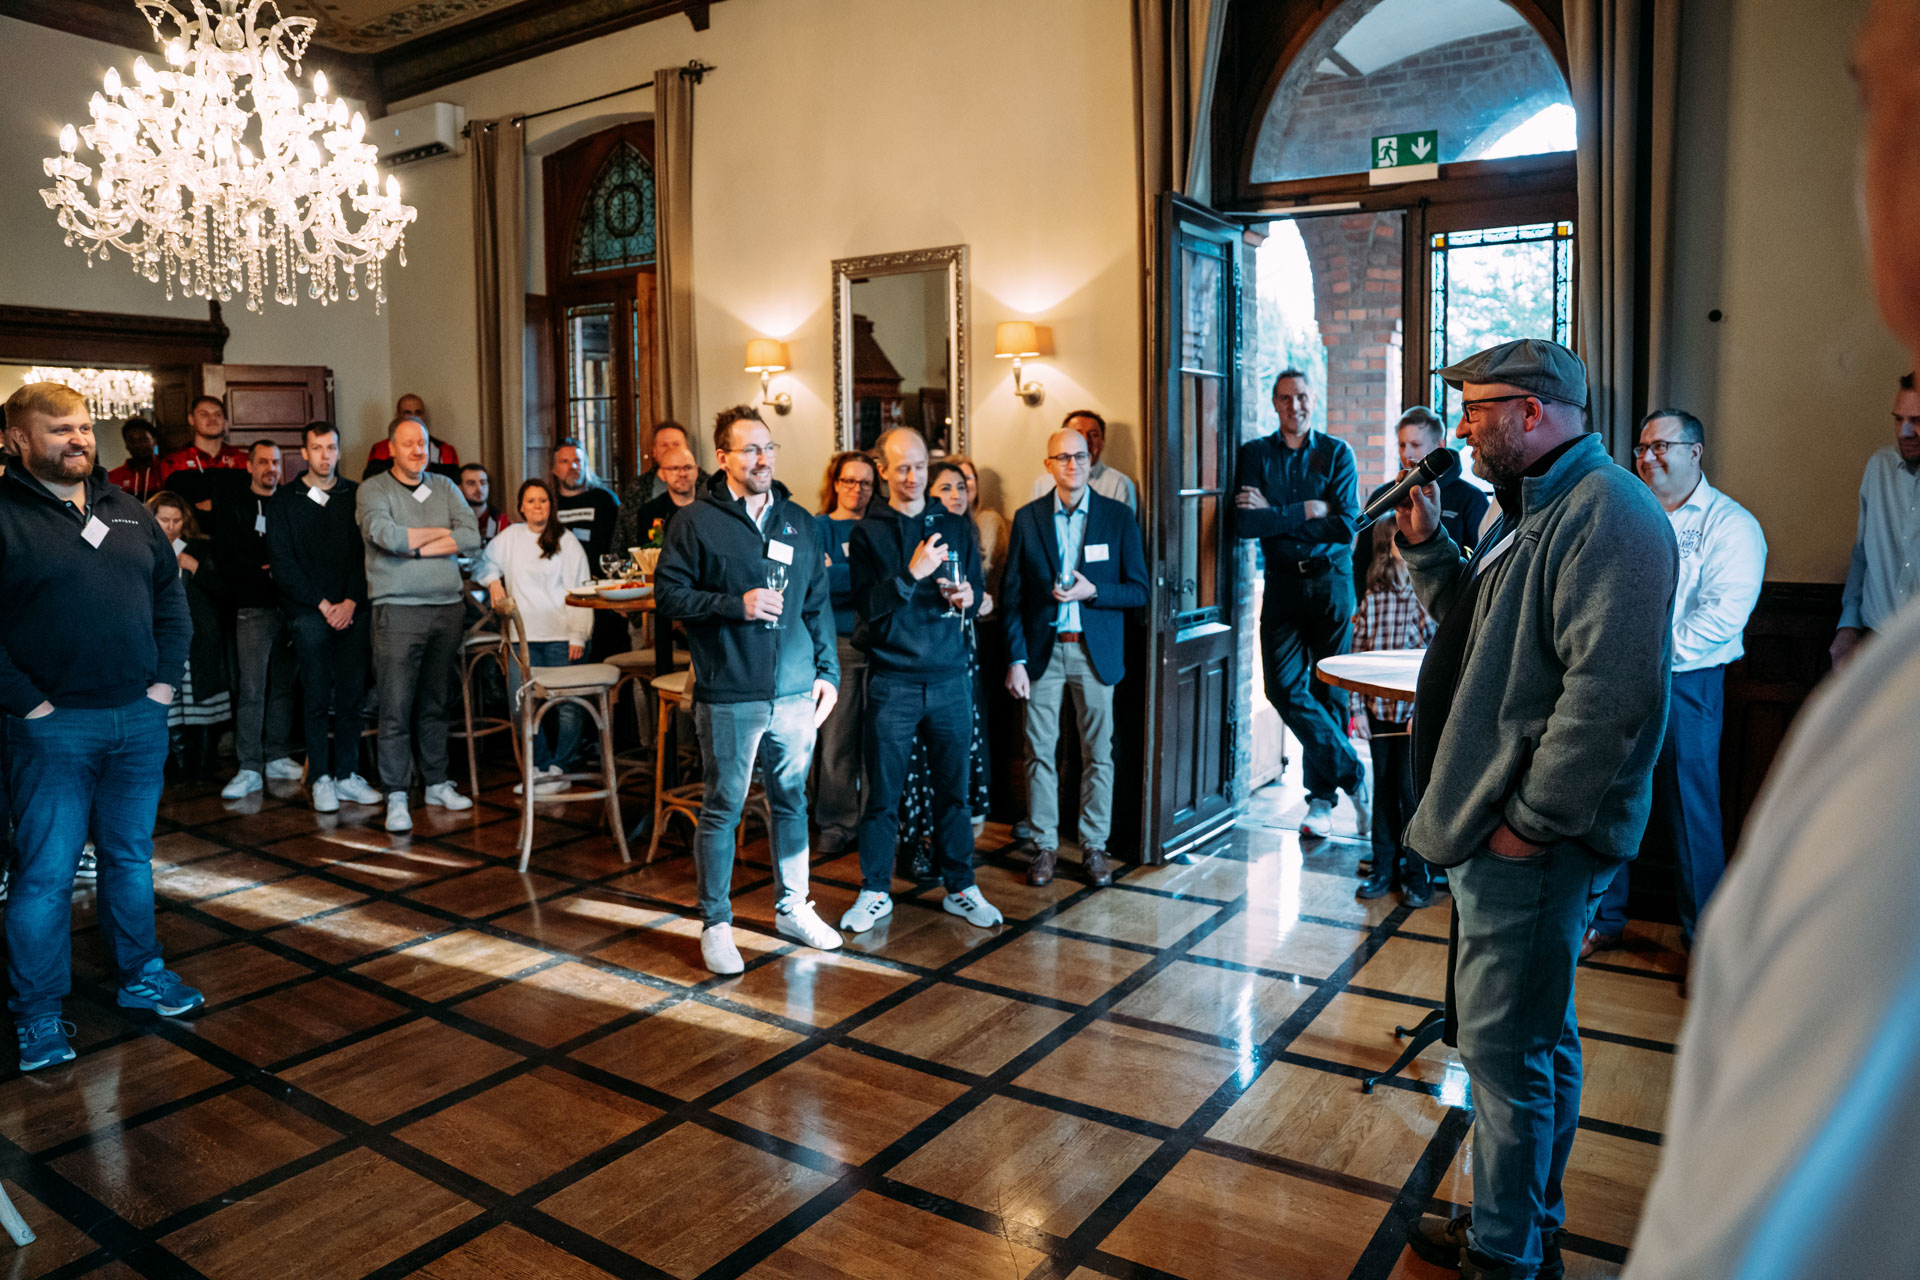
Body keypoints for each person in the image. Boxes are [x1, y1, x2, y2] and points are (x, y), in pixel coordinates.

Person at [1394, 339, 1677, 1280]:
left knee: (1505, 1059)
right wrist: (1427, 545)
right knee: (1534, 1040)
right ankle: (1525, 1227)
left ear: (1532, 412)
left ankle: (1504, 1257)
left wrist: (1530, 823)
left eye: (1477, 409)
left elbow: (1607, 699)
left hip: (1532, 840)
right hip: (1503, 824)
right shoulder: (1528, 506)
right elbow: (1478, 634)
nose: (1464, 427)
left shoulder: (1611, 513)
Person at [0, 383, 204, 1072]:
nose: (78, 439)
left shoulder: (127, 510)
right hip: (50, 729)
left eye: (84, 427)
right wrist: (30, 706)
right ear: (18, 440)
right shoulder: (4, 514)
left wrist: (160, 690)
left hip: (137, 723)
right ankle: (37, 1012)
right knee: (45, 876)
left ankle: (142, 976)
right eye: (60, 429)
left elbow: (171, 603)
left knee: (130, 859)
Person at [652, 405, 843, 975]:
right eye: (750, 449)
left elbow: (817, 603)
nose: (763, 459)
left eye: (769, 447)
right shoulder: (694, 521)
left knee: (792, 801)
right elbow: (669, 597)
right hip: (729, 690)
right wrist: (734, 605)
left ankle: (794, 908)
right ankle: (716, 924)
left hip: (795, 692)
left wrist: (828, 672)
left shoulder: (799, 520)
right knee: (724, 807)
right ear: (723, 457)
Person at [1586, 409, 1765, 957]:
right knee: (1608, 802)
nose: (1648, 457)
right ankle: (1604, 919)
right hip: (1616, 681)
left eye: (1661, 446)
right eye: (1642, 448)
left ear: (1695, 452)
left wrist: (1646, 659)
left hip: (1689, 684)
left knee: (1692, 813)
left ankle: (1704, 945)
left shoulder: (1730, 524)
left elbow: (1721, 617)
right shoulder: (1626, 516)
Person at [841, 427, 1003, 934]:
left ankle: (961, 887)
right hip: (894, 682)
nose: (913, 477)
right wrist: (911, 575)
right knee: (882, 796)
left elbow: (976, 590)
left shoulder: (954, 524)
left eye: (920, 467)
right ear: (883, 470)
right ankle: (874, 891)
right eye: (903, 468)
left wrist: (969, 598)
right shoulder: (867, 533)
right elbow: (867, 609)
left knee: (954, 794)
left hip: (951, 678)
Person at [1003, 427, 1150, 887]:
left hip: (1094, 653)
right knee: (1039, 753)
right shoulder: (1027, 518)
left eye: (1080, 456)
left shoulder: (1117, 516)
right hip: (1041, 655)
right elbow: (1012, 598)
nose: (1073, 465)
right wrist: (1016, 659)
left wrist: (1094, 592)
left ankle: (1094, 846)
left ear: (1091, 460)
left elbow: (1139, 590)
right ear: (1048, 465)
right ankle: (1045, 847)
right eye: (1063, 457)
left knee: (1099, 754)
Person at [1233, 368, 1365, 839]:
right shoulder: (1255, 455)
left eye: (1303, 397)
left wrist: (1275, 515)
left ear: (1313, 399)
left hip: (1331, 582)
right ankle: (1353, 774)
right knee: (1283, 688)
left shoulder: (1336, 453)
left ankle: (1321, 802)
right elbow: (1245, 526)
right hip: (1283, 584)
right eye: (1287, 398)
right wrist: (1308, 509)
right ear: (1275, 403)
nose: (1296, 406)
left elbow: (1346, 526)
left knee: (1329, 691)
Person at [356, 416, 482, 834]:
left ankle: (436, 783)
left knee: (436, 702)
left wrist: (415, 546)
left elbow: (470, 536)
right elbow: (386, 537)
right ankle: (396, 792)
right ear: (391, 449)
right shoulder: (374, 489)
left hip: (447, 608)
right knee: (395, 706)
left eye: (422, 444)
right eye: (408, 444)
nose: (417, 451)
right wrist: (440, 535)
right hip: (398, 610)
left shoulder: (444, 485)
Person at [891, 461, 999, 879]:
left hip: (962, 652)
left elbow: (977, 588)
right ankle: (914, 839)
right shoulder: (914, 532)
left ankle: (949, 845)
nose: (956, 495)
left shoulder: (967, 532)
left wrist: (976, 598)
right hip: (918, 656)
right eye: (945, 488)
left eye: (962, 487)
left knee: (957, 752)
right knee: (918, 754)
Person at [268, 422, 380, 814]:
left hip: (352, 608)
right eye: (317, 448)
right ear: (304, 452)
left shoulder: (356, 495)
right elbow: (282, 563)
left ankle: (347, 775)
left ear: (339, 450)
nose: (325, 455)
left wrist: (349, 601)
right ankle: (320, 778)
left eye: (331, 447)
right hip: (308, 611)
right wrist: (322, 604)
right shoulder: (285, 500)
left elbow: (365, 554)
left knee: (351, 696)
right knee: (315, 697)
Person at [476, 478, 593, 796]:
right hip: (522, 639)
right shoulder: (510, 537)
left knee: (566, 705)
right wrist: (492, 580)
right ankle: (539, 767)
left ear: (551, 506)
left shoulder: (566, 540)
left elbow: (581, 588)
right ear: (521, 507)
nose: (537, 506)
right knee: (521, 705)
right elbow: (482, 564)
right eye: (531, 501)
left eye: (543, 500)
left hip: (561, 635)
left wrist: (578, 635)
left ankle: (560, 768)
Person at [1348, 519, 1436, 906]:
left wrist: (1424, 712)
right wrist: (1357, 711)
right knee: (1384, 790)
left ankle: (1419, 875)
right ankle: (1383, 868)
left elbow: (1435, 663)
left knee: (1410, 793)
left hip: (1413, 716)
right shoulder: (1373, 600)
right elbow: (1357, 659)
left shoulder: (1423, 600)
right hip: (1379, 712)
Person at [210, 440, 301, 799]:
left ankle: (277, 755)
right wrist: (269, 568)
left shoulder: (292, 503)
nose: (270, 468)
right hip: (252, 608)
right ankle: (249, 766)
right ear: (249, 466)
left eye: (275, 462)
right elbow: (227, 558)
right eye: (262, 462)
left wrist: (277, 568)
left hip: (290, 607)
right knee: (251, 689)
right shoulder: (233, 505)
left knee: (283, 686)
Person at [810, 451, 878, 855]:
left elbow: (889, 580)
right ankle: (836, 822)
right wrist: (861, 576)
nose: (857, 488)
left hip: (883, 646)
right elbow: (815, 581)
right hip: (838, 645)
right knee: (837, 741)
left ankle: (874, 822)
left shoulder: (881, 526)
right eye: (849, 480)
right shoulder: (818, 528)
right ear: (835, 483)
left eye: (866, 482)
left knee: (878, 742)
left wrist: (840, 571)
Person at [1830, 372, 1920, 666]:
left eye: (1917, 421)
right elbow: (1862, 554)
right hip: (1877, 639)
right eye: (1898, 419)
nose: (1905, 432)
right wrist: (1848, 626)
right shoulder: (1879, 467)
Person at [1352, 406, 1489, 595]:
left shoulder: (1471, 499)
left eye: (1415, 445)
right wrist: (1365, 602)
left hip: (1445, 601)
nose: (1406, 453)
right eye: (1402, 445)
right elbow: (1363, 559)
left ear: (1439, 445)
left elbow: (1478, 563)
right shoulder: (1383, 496)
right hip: (1386, 606)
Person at [147, 491, 230, 782]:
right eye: (164, 520)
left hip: (201, 638)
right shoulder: (144, 548)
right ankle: (177, 768)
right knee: (168, 703)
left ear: (186, 520)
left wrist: (196, 567)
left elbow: (225, 591)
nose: (171, 526)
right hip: (160, 640)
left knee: (202, 701)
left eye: (177, 520)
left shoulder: (201, 548)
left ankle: (203, 767)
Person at [1028, 410, 1138, 510]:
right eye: (1077, 434)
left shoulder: (1119, 484)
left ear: (1102, 442)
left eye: (1093, 435)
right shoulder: (1042, 484)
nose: (1085, 440)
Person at [157, 396, 247, 507]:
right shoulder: (173, 463)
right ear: (191, 419)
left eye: (218, 414)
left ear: (224, 420)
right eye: (204, 414)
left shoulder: (241, 460)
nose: (212, 419)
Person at [613, 442, 700, 553]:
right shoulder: (649, 512)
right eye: (674, 468)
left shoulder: (711, 508)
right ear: (663, 474)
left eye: (687, 467)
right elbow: (647, 555)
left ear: (696, 471)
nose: (682, 474)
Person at [361, 394, 460, 476]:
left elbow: (454, 482)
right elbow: (373, 479)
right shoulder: (380, 448)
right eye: (407, 412)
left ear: (424, 415)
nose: (413, 417)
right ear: (397, 416)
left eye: (418, 412)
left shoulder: (445, 450)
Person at [621, 420, 710, 509]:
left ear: (687, 448)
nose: (670, 449)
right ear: (654, 451)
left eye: (676, 444)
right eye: (664, 445)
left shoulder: (708, 484)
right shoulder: (638, 487)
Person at [108, 417, 164, 501]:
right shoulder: (113, 477)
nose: (138, 445)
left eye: (143, 439)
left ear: (154, 441)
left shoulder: (166, 470)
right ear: (126, 445)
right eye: (132, 441)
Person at [459, 463, 512, 544]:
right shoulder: (452, 521)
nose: (479, 489)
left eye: (483, 483)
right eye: (471, 483)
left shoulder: (502, 522)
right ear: (460, 488)